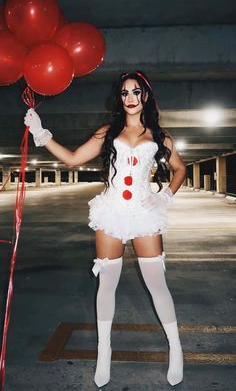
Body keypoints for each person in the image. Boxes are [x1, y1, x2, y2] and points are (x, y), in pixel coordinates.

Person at [24, 70, 186, 389]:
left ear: (146, 96)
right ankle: (103, 353)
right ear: (119, 98)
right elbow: (72, 159)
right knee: (107, 285)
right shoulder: (107, 133)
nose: (130, 98)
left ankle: (176, 349)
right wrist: (41, 134)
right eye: (125, 93)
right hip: (112, 211)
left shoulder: (159, 136)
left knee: (157, 284)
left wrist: (166, 194)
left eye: (136, 92)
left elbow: (180, 168)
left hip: (143, 212)